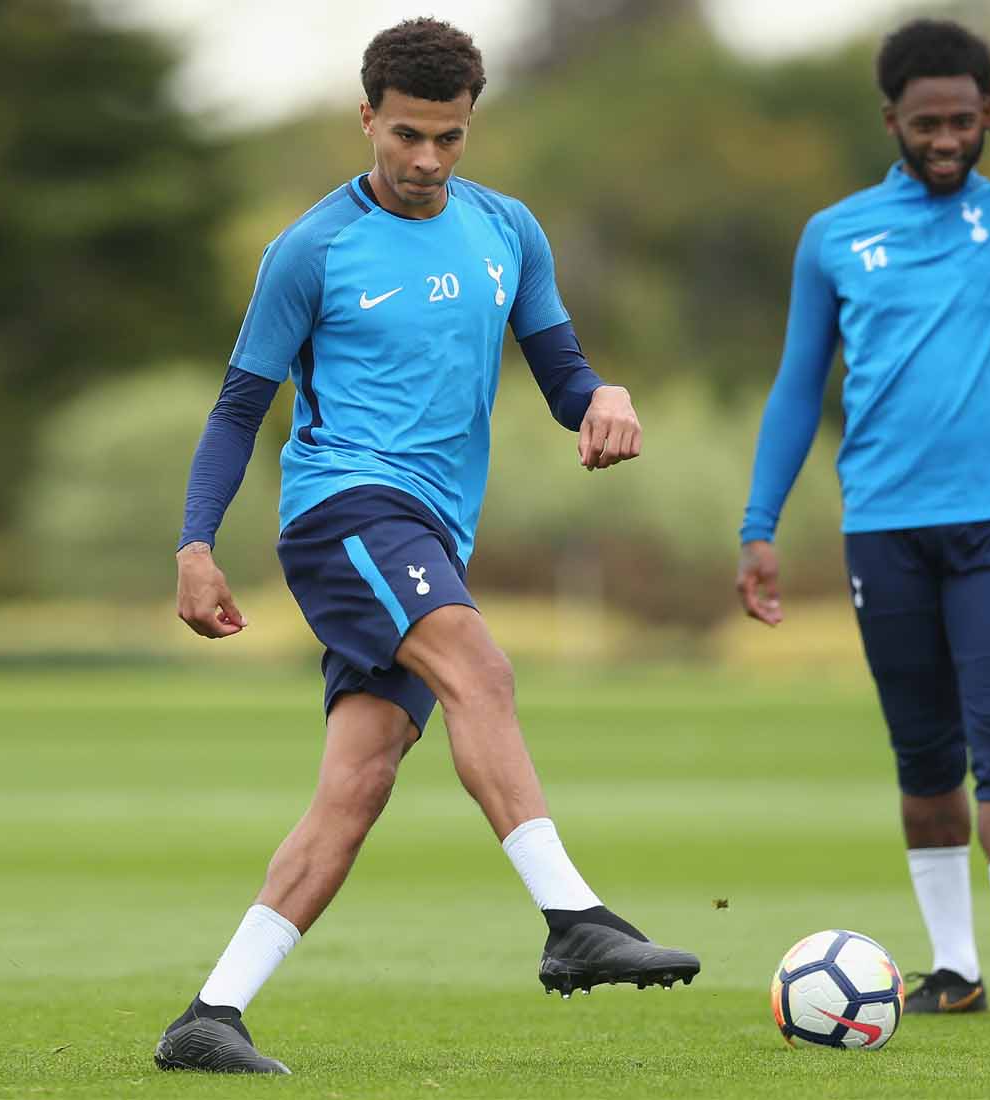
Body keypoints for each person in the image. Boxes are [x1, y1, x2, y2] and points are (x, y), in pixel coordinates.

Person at [159, 17, 699, 1075]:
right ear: (367, 118)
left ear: (469, 128)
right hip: (345, 509)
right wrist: (194, 543)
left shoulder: (509, 231)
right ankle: (572, 916)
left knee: (356, 785)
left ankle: (210, 1016)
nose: (425, 160)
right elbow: (236, 409)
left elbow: (563, 374)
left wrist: (607, 398)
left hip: (430, 531)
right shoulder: (310, 248)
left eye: (448, 138)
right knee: (479, 665)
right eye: (406, 134)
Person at [736, 18, 990, 1020]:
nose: (945, 140)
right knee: (924, 752)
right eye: (926, 122)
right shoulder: (834, 235)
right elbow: (799, 388)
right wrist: (759, 521)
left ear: (986, 115)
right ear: (890, 119)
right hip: (883, 525)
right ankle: (954, 969)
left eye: (965, 121)